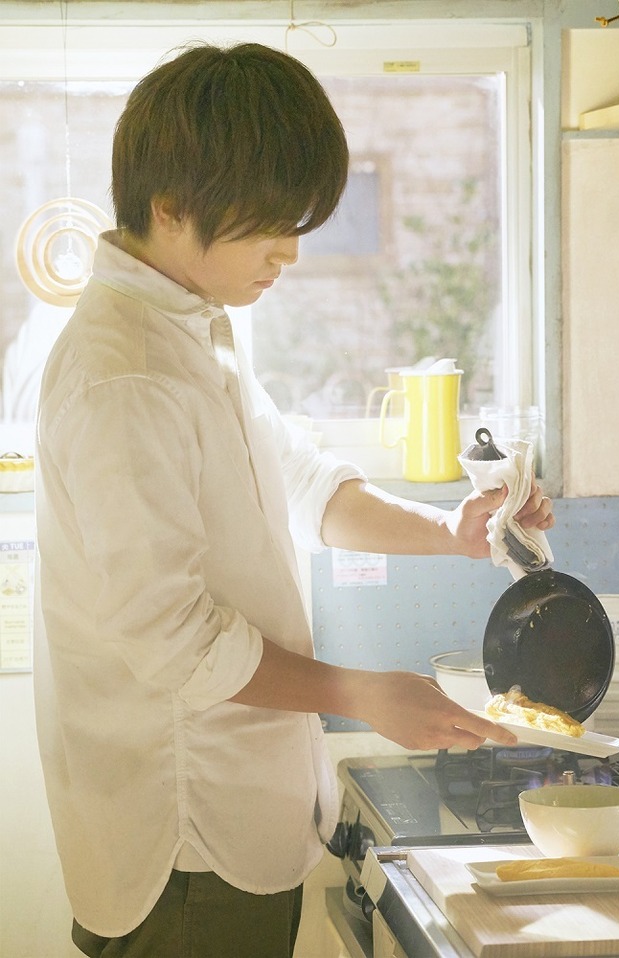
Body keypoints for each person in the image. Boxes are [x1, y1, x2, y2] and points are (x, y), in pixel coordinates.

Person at [34, 43, 554, 958]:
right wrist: (359, 692)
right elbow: (175, 641)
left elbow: (305, 484)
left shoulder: (192, 328)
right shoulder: (126, 375)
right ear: (171, 206)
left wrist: (456, 533)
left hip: (237, 825)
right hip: (184, 849)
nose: (290, 252)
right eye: (268, 224)